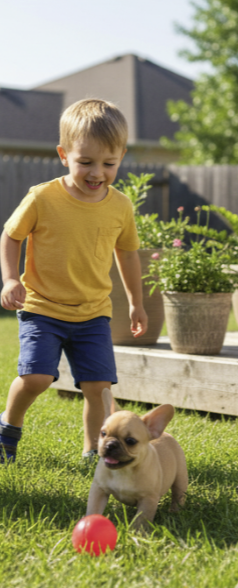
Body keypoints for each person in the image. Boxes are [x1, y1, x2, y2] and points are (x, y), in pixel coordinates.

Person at [0, 99, 148, 464]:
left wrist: (136, 302)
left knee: (98, 389)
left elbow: (127, 254)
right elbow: (11, 235)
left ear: (122, 157)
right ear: (64, 155)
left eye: (109, 163)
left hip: (93, 313)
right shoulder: (43, 197)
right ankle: (7, 428)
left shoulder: (120, 206)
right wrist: (8, 280)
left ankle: (93, 453)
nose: (97, 172)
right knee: (36, 378)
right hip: (42, 307)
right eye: (85, 162)